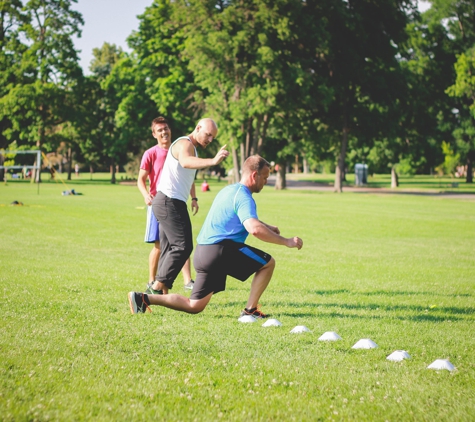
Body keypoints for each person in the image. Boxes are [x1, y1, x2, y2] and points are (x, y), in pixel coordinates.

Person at [128, 154, 303, 318]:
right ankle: (250, 310)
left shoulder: (228, 191)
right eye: (264, 178)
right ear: (254, 175)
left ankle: (143, 298)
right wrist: (286, 242)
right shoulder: (243, 196)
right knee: (267, 264)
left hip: (203, 252)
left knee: (194, 306)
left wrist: (268, 226)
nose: (265, 182)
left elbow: (246, 219)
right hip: (220, 250)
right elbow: (254, 229)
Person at [140, 117, 229, 297]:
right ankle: (155, 288)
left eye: (213, 137)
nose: (210, 140)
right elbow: (186, 162)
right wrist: (212, 161)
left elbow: (187, 175)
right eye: (208, 135)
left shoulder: (191, 147)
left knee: (169, 248)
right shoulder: (184, 143)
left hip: (168, 201)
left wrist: (194, 197)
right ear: (197, 128)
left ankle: (154, 294)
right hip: (169, 202)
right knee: (183, 246)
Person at [137, 117, 197, 292]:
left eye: (166, 128)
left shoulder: (179, 149)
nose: (164, 132)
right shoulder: (151, 153)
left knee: (179, 242)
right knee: (161, 244)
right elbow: (140, 180)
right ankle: (152, 281)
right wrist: (145, 195)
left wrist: (194, 198)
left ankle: (187, 280)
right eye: (160, 130)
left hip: (176, 202)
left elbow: (189, 176)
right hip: (159, 202)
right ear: (154, 134)